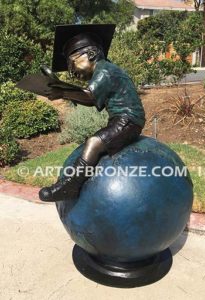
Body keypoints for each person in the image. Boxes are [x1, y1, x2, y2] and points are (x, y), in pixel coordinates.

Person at [39, 24, 145, 202]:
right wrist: (64, 92)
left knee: (94, 143)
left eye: (73, 64)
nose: (72, 72)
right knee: (94, 142)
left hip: (128, 121)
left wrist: (63, 92)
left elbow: (89, 96)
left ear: (92, 54)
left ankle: (70, 186)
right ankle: (72, 183)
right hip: (122, 120)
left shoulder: (104, 71)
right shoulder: (105, 69)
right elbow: (91, 99)